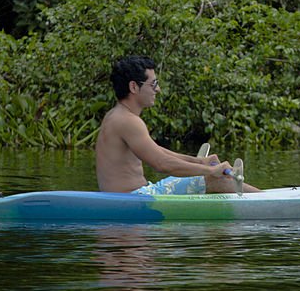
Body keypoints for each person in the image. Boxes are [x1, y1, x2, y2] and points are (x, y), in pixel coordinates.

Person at [95, 56, 259, 194]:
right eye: (153, 84)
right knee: (214, 179)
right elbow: (162, 164)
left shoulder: (117, 115)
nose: (158, 89)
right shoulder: (128, 121)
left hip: (135, 196)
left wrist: (199, 163)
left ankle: (263, 197)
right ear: (133, 87)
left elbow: (158, 151)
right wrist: (210, 171)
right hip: (135, 199)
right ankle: (267, 199)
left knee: (205, 177)